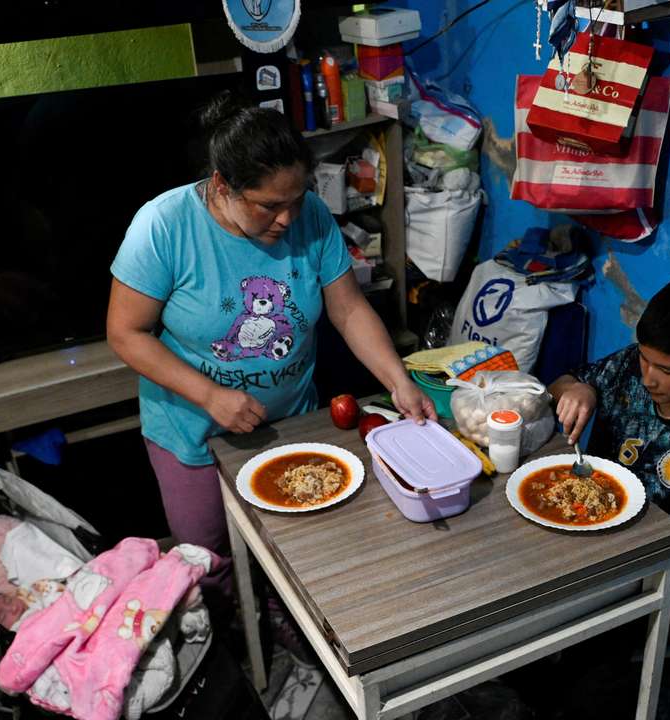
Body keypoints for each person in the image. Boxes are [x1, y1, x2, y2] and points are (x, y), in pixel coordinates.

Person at [106, 93, 435, 625]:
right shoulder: (163, 227)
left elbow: (348, 310)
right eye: (268, 205)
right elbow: (125, 333)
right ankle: (235, 636)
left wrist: (398, 380)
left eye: (298, 199)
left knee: (294, 546)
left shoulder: (311, 222)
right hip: (192, 429)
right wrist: (211, 396)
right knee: (208, 558)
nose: (288, 218)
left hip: (288, 421)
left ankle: (288, 625)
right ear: (221, 186)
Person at [549, 275, 670, 550]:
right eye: (644, 358)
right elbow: (558, 385)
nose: (647, 379)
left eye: (666, 371)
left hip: (641, 550)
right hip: (582, 512)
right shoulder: (628, 364)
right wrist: (581, 389)